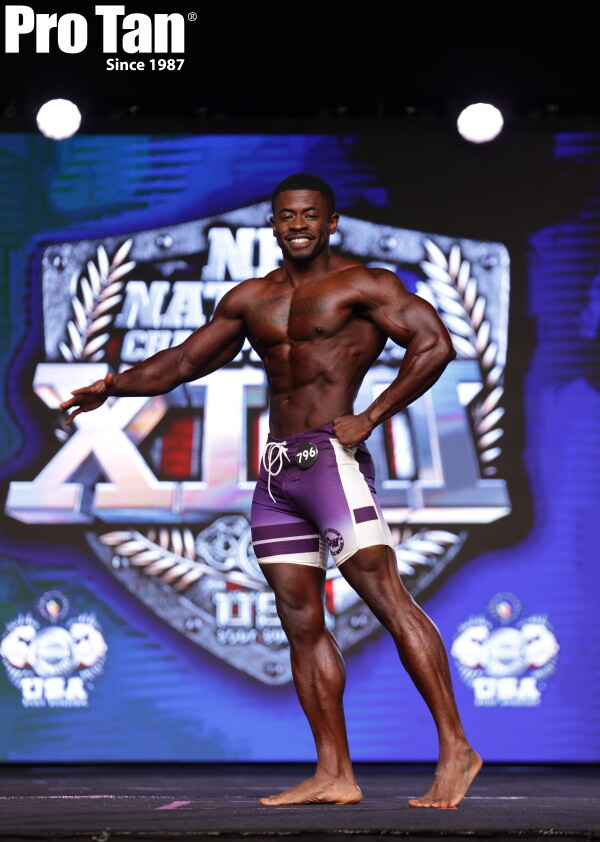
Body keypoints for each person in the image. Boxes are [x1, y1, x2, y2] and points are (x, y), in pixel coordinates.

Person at [61, 173, 481, 808]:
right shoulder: (251, 299)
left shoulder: (365, 285)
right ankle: (334, 773)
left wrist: (371, 416)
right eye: (287, 215)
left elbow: (435, 345)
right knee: (301, 622)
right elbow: (184, 361)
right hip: (278, 474)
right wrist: (113, 385)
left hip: (333, 461)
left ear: (331, 222)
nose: (299, 224)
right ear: (274, 224)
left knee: (386, 597)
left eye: (310, 214)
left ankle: (456, 748)